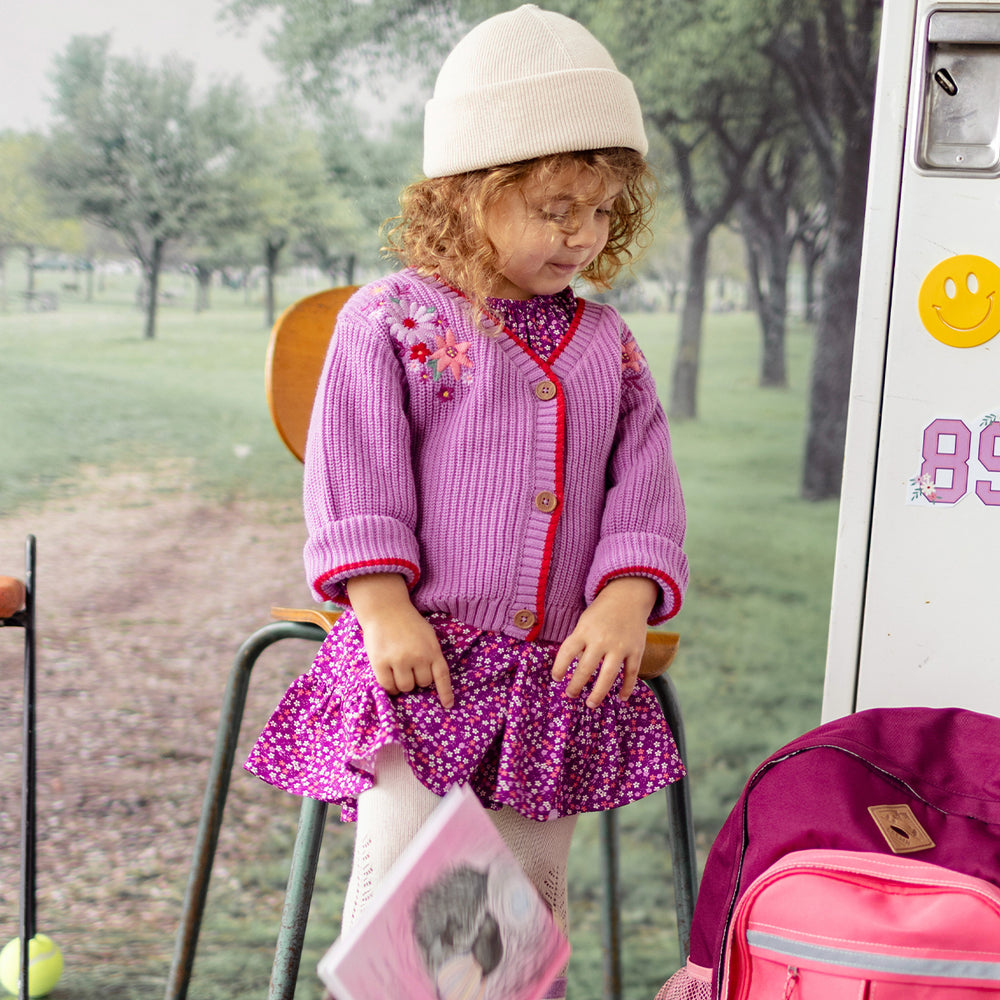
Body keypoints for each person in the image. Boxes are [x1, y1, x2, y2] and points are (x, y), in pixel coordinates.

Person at [245, 6, 689, 997]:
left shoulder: (605, 343)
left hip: (556, 670)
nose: (585, 233)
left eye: (603, 209)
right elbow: (354, 471)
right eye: (557, 208)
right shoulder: (391, 320)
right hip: (427, 658)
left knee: (524, 898)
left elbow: (645, 480)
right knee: (408, 885)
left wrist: (625, 596)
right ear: (468, 198)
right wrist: (382, 605)